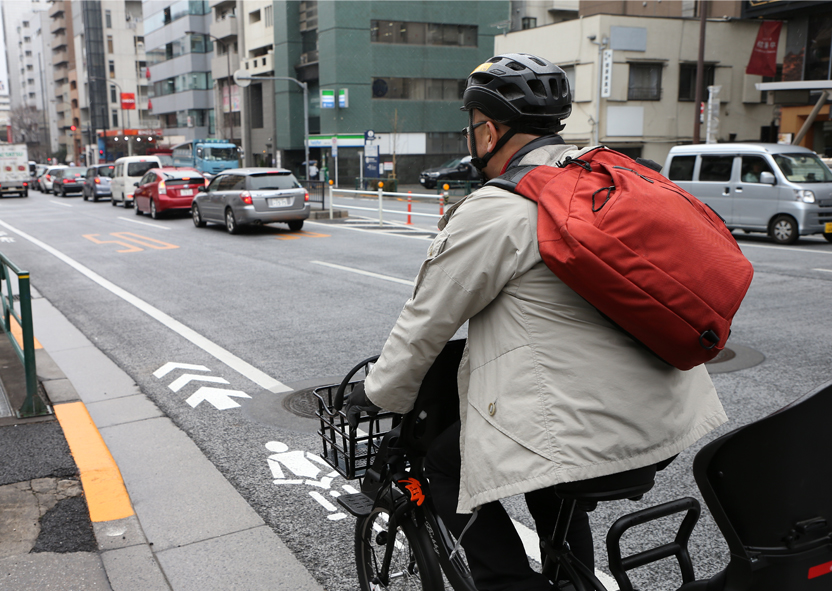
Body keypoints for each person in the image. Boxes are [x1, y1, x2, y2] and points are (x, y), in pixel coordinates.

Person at [346, 53, 727, 591]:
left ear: (489, 128)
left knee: (441, 464)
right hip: (663, 417)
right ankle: (572, 580)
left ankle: (507, 584)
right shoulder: (597, 179)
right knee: (547, 474)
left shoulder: (497, 209)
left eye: (472, 125)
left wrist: (380, 392)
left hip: (583, 428)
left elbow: (426, 322)